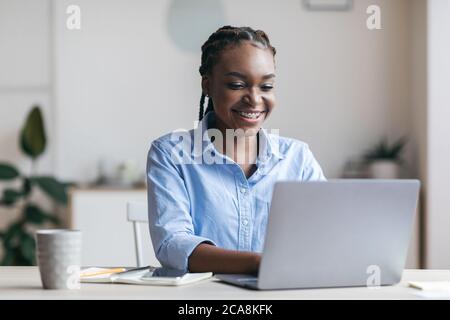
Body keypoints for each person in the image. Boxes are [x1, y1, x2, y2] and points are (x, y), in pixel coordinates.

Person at [147, 26, 326, 274]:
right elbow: (173, 245)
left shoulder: (298, 158)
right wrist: (258, 263)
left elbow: (327, 234)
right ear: (207, 86)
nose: (254, 99)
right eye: (237, 84)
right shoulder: (170, 154)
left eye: (266, 87)